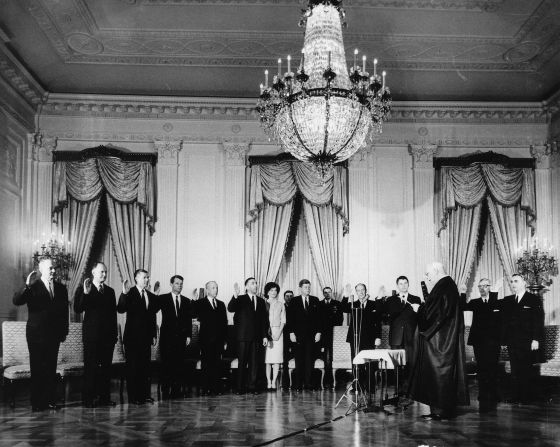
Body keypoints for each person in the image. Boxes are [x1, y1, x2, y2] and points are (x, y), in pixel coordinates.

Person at [408, 262, 469, 420]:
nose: (427, 277)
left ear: (436, 271)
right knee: (437, 375)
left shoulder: (444, 286)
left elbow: (434, 314)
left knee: (439, 374)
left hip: (440, 341)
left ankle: (442, 411)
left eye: (428, 274)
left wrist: (418, 309)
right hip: (441, 338)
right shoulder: (447, 285)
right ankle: (439, 410)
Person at [13, 258, 69, 411]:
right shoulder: (33, 286)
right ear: (41, 269)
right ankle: (37, 403)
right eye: (50, 268)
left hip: (54, 334)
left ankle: (50, 400)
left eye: (54, 268)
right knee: (37, 368)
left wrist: (64, 331)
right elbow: (17, 300)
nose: (53, 271)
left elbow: (65, 312)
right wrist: (26, 286)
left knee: (51, 368)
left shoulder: (61, 288)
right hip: (36, 334)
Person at [74, 261, 117, 407]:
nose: (104, 274)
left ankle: (104, 398)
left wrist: (114, 336)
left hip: (108, 338)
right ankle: (88, 400)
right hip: (92, 337)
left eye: (105, 272)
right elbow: (78, 308)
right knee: (90, 369)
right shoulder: (84, 288)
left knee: (106, 369)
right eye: (101, 272)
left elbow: (113, 316)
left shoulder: (110, 291)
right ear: (93, 272)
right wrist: (86, 293)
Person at [459, 277, 503, 412]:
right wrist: (462, 293)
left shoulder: (497, 302)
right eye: (480, 286)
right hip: (479, 341)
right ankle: (483, 394)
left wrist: (495, 292)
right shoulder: (475, 302)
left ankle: (494, 395)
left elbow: (491, 308)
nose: (482, 288)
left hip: (494, 341)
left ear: (490, 287)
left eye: (485, 286)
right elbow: (462, 307)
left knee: (493, 368)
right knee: (482, 368)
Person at [500, 273, 544, 404]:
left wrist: (536, 339)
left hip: (528, 342)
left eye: (516, 281)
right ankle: (515, 396)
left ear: (524, 283)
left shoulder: (533, 299)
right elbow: (500, 317)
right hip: (512, 341)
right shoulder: (508, 300)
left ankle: (526, 397)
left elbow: (538, 321)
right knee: (515, 369)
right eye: (512, 281)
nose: (513, 284)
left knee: (526, 369)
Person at [117, 269, 158, 405]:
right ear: (136, 278)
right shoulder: (130, 293)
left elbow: (152, 316)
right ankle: (134, 397)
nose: (147, 280)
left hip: (146, 338)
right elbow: (121, 308)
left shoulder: (150, 295)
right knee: (133, 368)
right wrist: (123, 293)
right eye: (145, 277)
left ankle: (145, 395)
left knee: (145, 368)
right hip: (132, 338)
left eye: (148, 277)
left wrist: (153, 334)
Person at [228, 277, 269, 394]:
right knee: (242, 363)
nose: (255, 285)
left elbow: (263, 320)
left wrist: (264, 336)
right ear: (246, 287)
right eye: (252, 283)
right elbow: (230, 308)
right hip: (243, 337)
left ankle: (252, 387)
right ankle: (240, 388)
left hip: (256, 338)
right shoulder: (240, 298)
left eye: (256, 283)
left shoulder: (261, 301)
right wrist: (235, 295)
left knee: (254, 363)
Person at [381, 276, 421, 393]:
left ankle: (410, 388)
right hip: (396, 337)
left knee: (410, 362)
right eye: (401, 284)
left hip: (411, 336)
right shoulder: (391, 300)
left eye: (405, 283)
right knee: (396, 363)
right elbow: (383, 316)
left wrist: (418, 310)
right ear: (397, 286)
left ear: (408, 284)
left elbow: (420, 318)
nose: (403, 286)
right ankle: (398, 389)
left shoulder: (416, 299)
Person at [157, 275, 193, 399]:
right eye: (177, 283)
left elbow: (188, 320)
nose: (180, 286)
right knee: (167, 363)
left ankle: (177, 390)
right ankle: (166, 389)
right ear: (171, 284)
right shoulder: (163, 298)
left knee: (179, 364)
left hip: (181, 338)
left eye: (181, 283)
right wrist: (155, 294)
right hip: (167, 337)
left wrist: (188, 335)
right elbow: (153, 309)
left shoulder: (187, 300)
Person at [341, 283, 382, 388]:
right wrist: (346, 295)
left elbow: (378, 322)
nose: (361, 292)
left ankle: (369, 386)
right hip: (355, 338)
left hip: (369, 338)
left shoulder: (374, 304)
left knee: (369, 362)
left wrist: (378, 337)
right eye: (358, 290)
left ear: (366, 290)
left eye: (362, 289)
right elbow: (343, 308)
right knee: (356, 361)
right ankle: (357, 386)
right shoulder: (353, 304)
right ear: (356, 292)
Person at [192, 281, 228, 395]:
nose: (215, 290)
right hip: (206, 340)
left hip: (218, 340)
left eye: (216, 288)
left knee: (217, 364)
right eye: (213, 288)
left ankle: (216, 388)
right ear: (207, 290)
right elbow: (192, 313)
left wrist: (225, 340)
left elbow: (224, 323)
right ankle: (206, 388)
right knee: (206, 364)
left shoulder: (221, 304)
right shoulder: (200, 302)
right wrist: (193, 300)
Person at [287, 279, 322, 391]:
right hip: (297, 336)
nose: (308, 289)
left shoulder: (315, 300)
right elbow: (290, 318)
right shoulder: (294, 301)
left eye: (309, 287)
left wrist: (318, 332)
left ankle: (308, 384)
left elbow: (319, 319)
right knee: (299, 359)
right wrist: (291, 333)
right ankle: (298, 384)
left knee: (309, 360)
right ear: (300, 288)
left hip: (312, 336)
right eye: (305, 287)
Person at [320, 286, 343, 389]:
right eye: (325, 292)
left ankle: (336, 380)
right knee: (326, 357)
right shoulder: (319, 304)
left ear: (331, 293)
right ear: (323, 293)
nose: (327, 294)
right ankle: (326, 380)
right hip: (324, 334)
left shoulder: (337, 304)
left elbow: (340, 319)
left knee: (334, 355)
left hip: (335, 333)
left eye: (329, 292)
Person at [264, 282, 286, 390]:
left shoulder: (281, 304)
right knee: (268, 359)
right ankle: (268, 382)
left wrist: (278, 333)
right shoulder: (263, 303)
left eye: (275, 290)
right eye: (271, 290)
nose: (273, 292)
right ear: (267, 291)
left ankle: (274, 382)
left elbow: (283, 320)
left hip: (278, 332)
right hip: (266, 332)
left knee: (276, 359)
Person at [281, 290, 295, 390]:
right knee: (285, 359)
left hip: (294, 336)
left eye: (291, 296)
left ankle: (295, 382)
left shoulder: (296, 306)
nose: (289, 298)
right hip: (284, 336)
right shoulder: (282, 306)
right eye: (287, 296)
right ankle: (285, 383)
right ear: (284, 297)